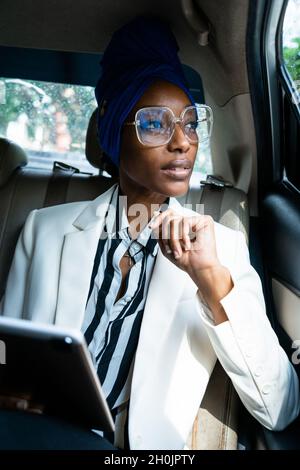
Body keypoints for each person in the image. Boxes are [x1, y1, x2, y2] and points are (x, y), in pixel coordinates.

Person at [0, 16, 299, 451]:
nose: (183, 142)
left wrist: (211, 281)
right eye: (156, 124)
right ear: (114, 129)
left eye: (191, 123)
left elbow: (280, 407)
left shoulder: (222, 249)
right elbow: (7, 349)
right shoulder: (44, 230)